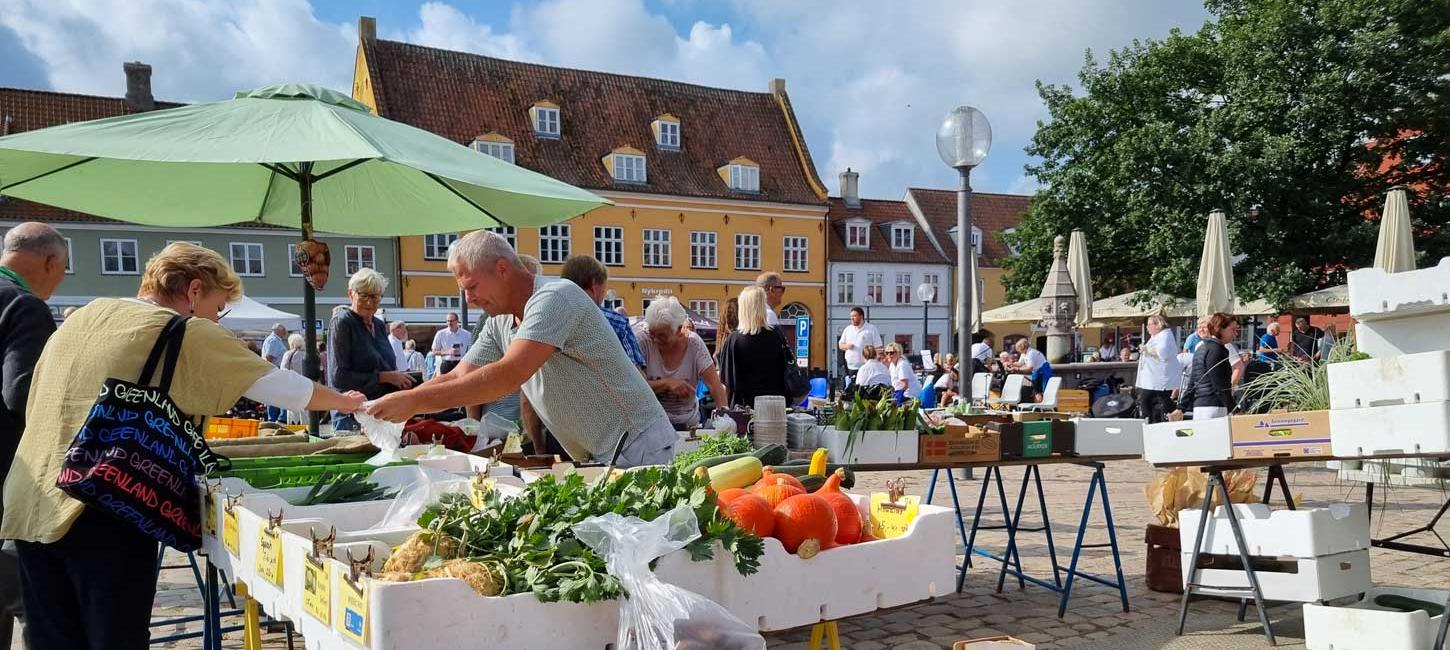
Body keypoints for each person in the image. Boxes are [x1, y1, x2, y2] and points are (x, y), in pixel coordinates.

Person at [1, 242, 364, 650]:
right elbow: (283, 387)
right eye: (219, 306)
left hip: (31, 501)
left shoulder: (85, 315)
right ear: (194, 291)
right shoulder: (182, 328)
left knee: (54, 639)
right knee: (113, 638)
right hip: (101, 503)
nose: (218, 318)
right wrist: (348, 402)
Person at [366, 230, 675, 467]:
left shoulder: (556, 297)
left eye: (472, 287)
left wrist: (414, 402)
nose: (469, 300)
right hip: (603, 451)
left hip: (638, 442)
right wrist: (402, 400)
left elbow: (507, 375)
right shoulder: (498, 322)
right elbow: (459, 374)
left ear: (502, 269)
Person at [0, 222, 67, 645]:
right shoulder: (23, 305)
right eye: (61, 273)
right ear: (49, 262)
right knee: (38, 604)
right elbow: (23, 393)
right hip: (9, 483)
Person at [328, 268, 414, 432]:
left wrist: (400, 379)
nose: (369, 302)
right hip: (353, 416)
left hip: (383, 412)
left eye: (374, 296)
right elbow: (338, 377)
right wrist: (383, 377)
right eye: (364, 295)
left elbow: (386, 365)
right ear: (351, 294)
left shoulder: (379, 325)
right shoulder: (343, 322)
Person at [636, 298, 727, 429]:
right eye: (651, 333)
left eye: (662, 336)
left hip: (688, 424)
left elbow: (715, 385)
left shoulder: (694, 344)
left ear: (679, 329)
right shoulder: (642, 341)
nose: (655, 339)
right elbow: (635, 387)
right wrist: (667, 383)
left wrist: (725, 420)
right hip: (650, 425)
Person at [560, 255, 644, 370]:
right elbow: (636, 373)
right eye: (603, 290)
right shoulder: (616, 322)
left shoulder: (552, 319)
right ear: (594, 286)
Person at [718, 286, 790, 408]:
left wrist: (722, 411)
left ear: (743, 308)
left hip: (743, 408)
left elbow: (727, 383)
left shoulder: (734, 340)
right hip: (775, 406)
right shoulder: (777, 335)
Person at [1177, 312, 1239, 420]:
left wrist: (1181, 407)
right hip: (1214, 406)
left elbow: (1193, 381)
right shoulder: (1217, 349)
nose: (1236, 334)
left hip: (1199, 406)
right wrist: (1235, 409)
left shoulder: (1200, 348)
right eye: (1232, 330)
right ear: (1220, 329)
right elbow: (1219, 385)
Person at [1135, 315, 1182, 424]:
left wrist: (1146, 349)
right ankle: (1157, 419)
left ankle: (1151, 421)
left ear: (1157, 325)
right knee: (1155, 399)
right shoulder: (1156, 337)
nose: (1147, 328)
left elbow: (1163, 353)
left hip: (1159, 378)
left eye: (1149, 325)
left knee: (1149, 399)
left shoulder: (1165, 336)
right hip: (1152, 377)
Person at [836, 306, 882, 387]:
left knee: (863, 387)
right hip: (851, 366)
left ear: (861, 316)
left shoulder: (871, 329)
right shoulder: (848, 329)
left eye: (854, 316)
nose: (852, 318)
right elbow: (840, 345)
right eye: (851, 317)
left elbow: (878, 347)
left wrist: (876, 362)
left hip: (866, 366)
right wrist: (847, 346)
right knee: (851, 390)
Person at [260, 323, 288, 422]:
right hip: (274, 372)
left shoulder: (273, 340)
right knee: (274, 396)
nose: (285, 332)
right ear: (279, 330)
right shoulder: (274, 340)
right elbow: (269, 357)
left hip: (273, 372)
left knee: (274, 396)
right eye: (284, 330)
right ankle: (273, 420)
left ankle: (273, 419)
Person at [431, 311, 473, 376]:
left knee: (461, 384)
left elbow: (473, 349)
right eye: (448, 321)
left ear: (457, 321)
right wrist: (448, 352)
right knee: (446, 385)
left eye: (451, 321)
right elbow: (434, 351)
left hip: (461, 363)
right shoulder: (441, 334)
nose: (449, 323)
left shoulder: (466, 334)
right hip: (446, 364)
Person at [280, 334, 308, 423]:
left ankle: (294, 428)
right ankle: (307, 428)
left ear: (291, 343)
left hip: (292, 385)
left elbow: (283, 370)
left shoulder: (288, 354)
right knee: (305, 409)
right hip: (306, 385)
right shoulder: (306, 355)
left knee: (292, 410)